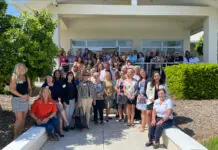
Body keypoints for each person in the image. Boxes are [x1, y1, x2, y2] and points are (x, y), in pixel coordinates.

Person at [10, 63, 31, 139]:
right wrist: (22, 96)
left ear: (25, 69)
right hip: (17, 100)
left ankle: (20, 133)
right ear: (17, 69)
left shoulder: (26, 77)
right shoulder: (14, 77)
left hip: (25, 100)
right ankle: (15, 135)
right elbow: (11, 90)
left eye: (22, 68)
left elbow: (29, 88)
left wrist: (29, 95)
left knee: (24, 118)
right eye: (19, 68)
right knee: (19, 119)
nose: (21, 69)